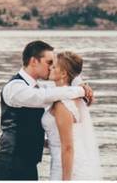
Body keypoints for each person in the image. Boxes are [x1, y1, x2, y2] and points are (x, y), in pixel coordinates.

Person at [0, 41, 95, 181]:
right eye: (49, 62)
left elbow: (67, 72)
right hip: (11, 162)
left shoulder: (38, 86)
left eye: (54, 64)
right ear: (34, 61)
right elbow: (43, 97)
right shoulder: (15, 88)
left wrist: (79, 82)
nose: (51, 67)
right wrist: (80, 89)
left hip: (29, 163)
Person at [41, 51, 102, 181]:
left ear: (63, 73)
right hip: (62, 161)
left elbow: (68, 147)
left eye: (54, 66)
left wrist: (66, 180)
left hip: (67, 168)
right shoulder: (70, 96)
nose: (50, 68)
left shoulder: (62, 104)